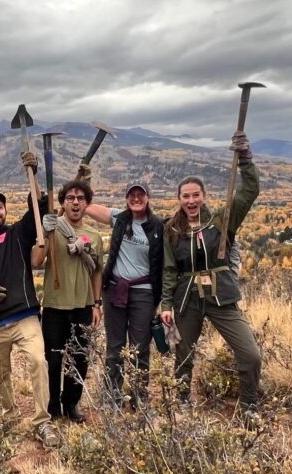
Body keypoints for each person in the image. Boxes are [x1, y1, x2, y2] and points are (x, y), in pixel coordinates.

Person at [159, 132, 262, 422]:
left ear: (203, 196)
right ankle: (181, 403)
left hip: (221, 297)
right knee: (183, 355)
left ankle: (249, 407)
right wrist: (166, 304)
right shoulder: (172, 230)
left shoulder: (221, 221)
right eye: (186, 196)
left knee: (250, 354)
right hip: (187, 299)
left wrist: (246, 159)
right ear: (179, 199)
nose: (191, 200)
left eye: (196, 195)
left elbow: (249, 192)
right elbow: (170, 270)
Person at [0, 148, 59, 448]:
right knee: (2, 375)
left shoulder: (18, 234)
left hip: (25, 315)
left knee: (38, 361)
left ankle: (42, 422)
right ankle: (11, 418)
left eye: (0, 207)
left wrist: (33, 174)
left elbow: (39, 205)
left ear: (5, 211)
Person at [84, 181, 166, 410]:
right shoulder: (119, 218)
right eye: (132, 195)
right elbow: (88, 207)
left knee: (140, 347)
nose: (136, 199)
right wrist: (82, 181)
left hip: (144, 292)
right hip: (115, 290)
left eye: (141, 195)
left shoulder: (158, 225)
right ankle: (113, 397)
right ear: (127, 198)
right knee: (115, 346)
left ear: (148, 197)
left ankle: (140, 397)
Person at [41, 179, 103, 423]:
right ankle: (52, 405)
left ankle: (71, 404)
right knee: (53, 358)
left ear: (87, 204)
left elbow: (97, 271)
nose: (75, 203)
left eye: (80, 198)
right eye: (70, 198)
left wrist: (96, 304)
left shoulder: (94, 236)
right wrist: (44, 234)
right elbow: (36, 260)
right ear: (63, 203)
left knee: (79, 357)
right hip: (55, 305)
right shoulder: (53, 229)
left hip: (83, 306)